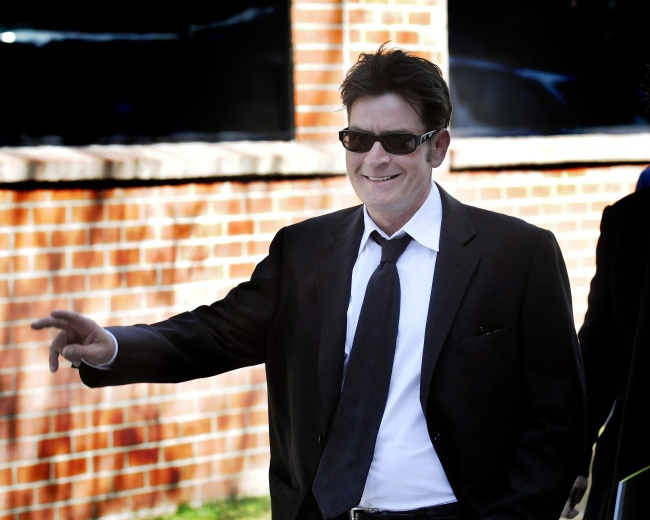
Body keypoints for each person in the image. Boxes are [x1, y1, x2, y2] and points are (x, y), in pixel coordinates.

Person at [31, 44, 587, 520]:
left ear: (437, 147)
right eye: (358, 139)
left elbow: (557, 419)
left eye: (397, 141)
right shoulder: (303, 251)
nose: (375, 158)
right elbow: (215, 334)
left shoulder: (517, 255)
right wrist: (114, 346)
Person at [562, 186, 650, 520]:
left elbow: (599, 352)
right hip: (637, 458)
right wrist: (576, 456)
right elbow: (600, 353)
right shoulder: (630, 220)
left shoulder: (631, 218)